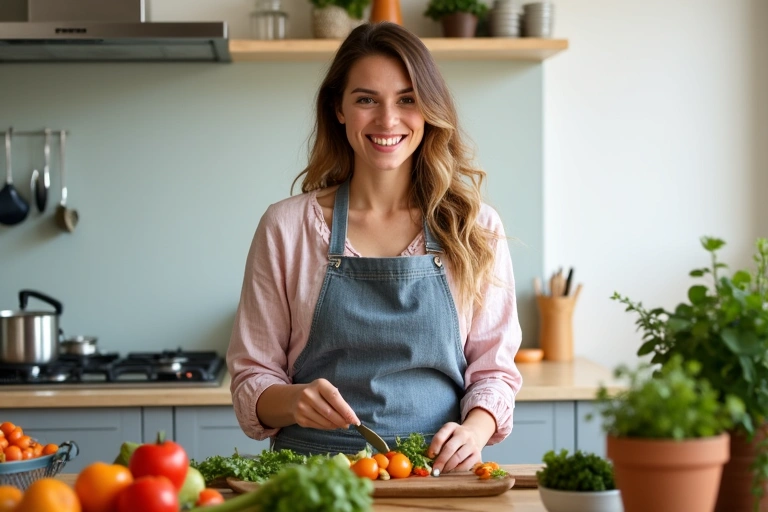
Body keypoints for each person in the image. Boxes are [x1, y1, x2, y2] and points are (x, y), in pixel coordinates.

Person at [227, 21, 522, 475]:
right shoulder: (286, 227)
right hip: (314, 480)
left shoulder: (474, 227)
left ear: (430, 109)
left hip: (434, 474)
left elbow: (494, 371)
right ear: (339, 108)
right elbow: (252, 376)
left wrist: (474, 432)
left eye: (407, 99)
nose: (387, 120)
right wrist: (292, 401)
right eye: (366, 99)